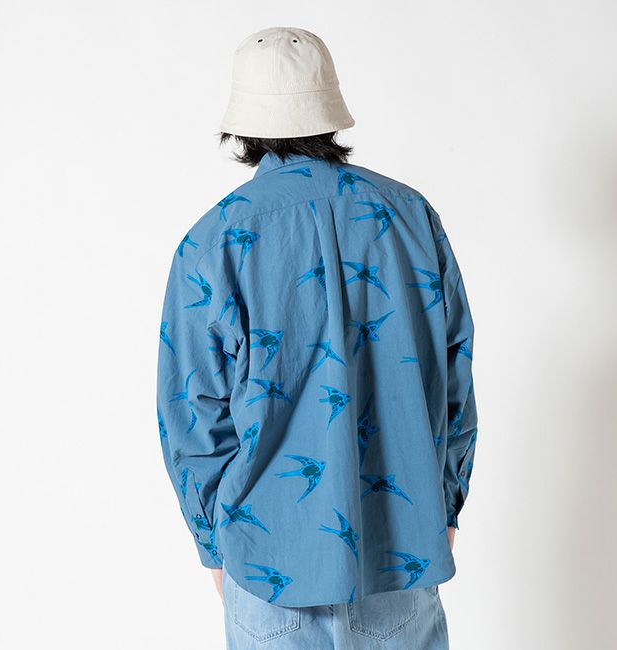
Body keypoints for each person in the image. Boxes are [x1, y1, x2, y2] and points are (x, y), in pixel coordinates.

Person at [156, 26, 479, 649]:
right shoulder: (411, 217)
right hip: (401, 548)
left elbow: (190, 414)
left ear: (242, 127)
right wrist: (444, 502)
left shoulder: (212, 242)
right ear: (330, 110)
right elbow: (453, 374)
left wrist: (213, 542)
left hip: (266, 557)